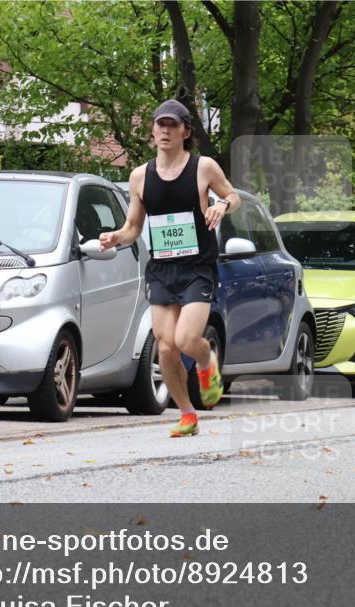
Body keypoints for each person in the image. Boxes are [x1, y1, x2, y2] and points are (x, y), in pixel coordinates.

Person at [100, 99, 240, 436]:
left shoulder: (203, 167)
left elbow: (234, 196)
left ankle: (207, 362)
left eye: (173, 125)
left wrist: (221, 206)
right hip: (162, 269)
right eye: (160, 124)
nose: (165, 130)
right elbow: (134, 227)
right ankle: (188, 414)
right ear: (152, 130)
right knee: (165, 346)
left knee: (187, 338)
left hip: (197, 266)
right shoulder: (139, 176)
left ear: (185, 131)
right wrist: (116, 236)